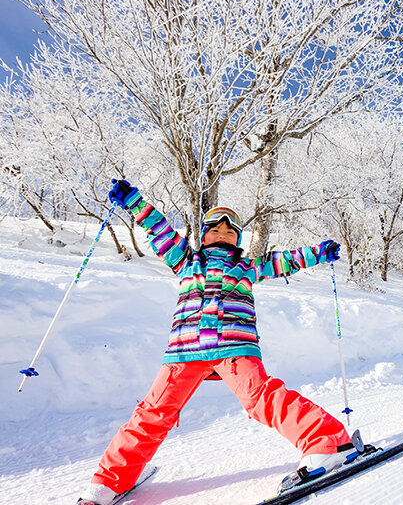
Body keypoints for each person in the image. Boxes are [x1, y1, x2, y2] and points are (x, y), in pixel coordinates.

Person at [77, 180, 357, 505]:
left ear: (238, 240)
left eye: (230, 233)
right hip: (185, 350)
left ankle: (329, 442)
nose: (222, 236)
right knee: (154, 411)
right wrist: (134, 201)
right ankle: (110, 481)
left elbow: (288, 260)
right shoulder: (185, 260)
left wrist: (318, 253)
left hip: (234, 346)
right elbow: (159, 229)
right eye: (215, 231)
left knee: (261, 397)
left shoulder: (247, 267)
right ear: (202, 236)